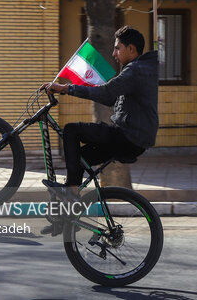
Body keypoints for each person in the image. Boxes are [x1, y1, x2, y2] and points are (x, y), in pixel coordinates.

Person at [41, 26, 158, 235]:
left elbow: (107, 93)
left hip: (127, 136)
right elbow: (112, 96)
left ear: (131, 49)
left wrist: (66, 88)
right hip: (132, 137)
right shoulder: (136, 69)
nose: (113, 54)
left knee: (71, 130)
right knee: (78, 159)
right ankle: (66, 217)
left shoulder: (136, 70)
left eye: (117, 48)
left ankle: (72, 194)